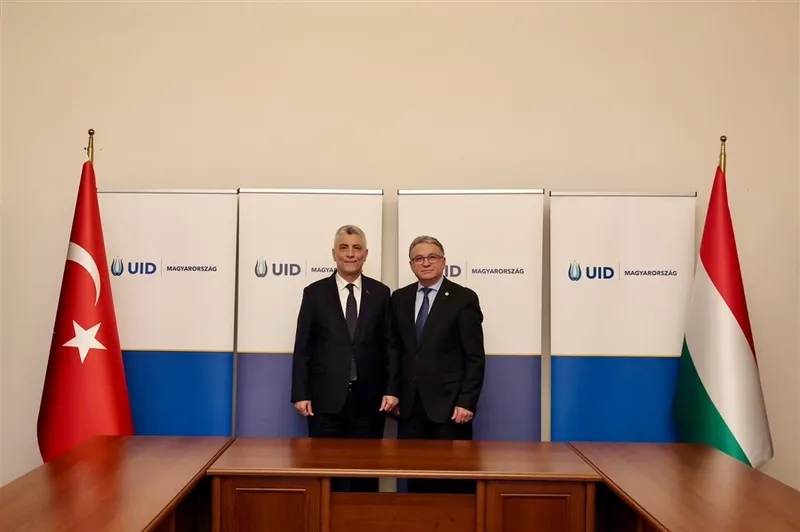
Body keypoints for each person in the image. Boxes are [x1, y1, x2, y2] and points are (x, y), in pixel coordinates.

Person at [290, 224, 399, 492]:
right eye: (344, 248)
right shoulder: (314, 293)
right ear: (334, 253)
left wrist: (392, 389)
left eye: (356, 248)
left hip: (369, 401)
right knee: (326, 474)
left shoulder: (381, 293)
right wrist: (301, 393)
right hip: (325, 401)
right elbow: (303, 347)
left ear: (365, 254)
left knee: (366, 475)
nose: (350, 254)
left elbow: (391, 346)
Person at [390, 235, 486, 494]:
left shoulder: (463, 298)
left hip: (450, 408)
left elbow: (474, 356)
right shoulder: (399, 298)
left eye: (432, 257)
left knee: (452, 482)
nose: (426, 263)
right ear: (411, 265)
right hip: (409, 409)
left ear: (444, 261)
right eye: (419, 258)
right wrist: (394, 392)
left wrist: (467, 401)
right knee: (415, 480)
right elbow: (395, 350)